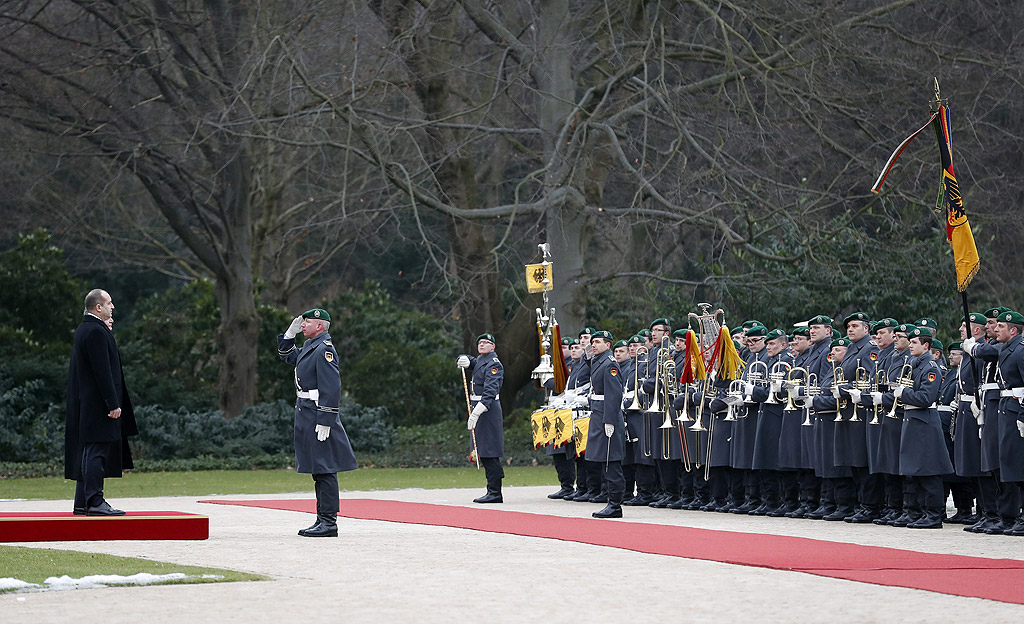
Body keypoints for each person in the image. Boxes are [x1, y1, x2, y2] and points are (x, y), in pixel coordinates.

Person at [278, 308, 357, 537]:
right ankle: (322, 519)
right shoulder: (311, 347)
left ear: (320, 326)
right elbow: (289, 358)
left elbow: (331, 388)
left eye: (307, 322)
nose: (302, 325)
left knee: (325, 469)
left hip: (317, 414)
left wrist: (326, 420)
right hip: (307, 412)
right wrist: (288, 336)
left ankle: (328, 522)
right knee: (318, 470)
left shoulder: (324, 350)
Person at [65, 288, 138, 516]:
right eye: (109, 303)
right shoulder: (95, 332)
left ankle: (82, 502)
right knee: (96, 451)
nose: (112, 306)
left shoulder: (88, 328)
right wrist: (113, 403)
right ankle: (95, 501)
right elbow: (102, 372)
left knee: (89, 450)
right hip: (99, 406)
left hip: (90, 404)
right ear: (98, 307)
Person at [457, 333, 505, 503]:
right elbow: (474, 363)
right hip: (479, 407)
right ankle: (492, 490)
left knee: (489, 451)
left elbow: (490, 392)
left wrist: (477, 412)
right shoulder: (482, 361)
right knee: (482, 451)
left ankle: (495, 491)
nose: (482, 345)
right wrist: (465, 359)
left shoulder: (494, 365)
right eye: (480, 342)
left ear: (493, 347)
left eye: (487, 343)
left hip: (487, 409)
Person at [585, 331, 626, 518]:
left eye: (598, 342)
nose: (593, 345)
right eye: (592, 342)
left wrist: (609, 421)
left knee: (611, 462)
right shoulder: (599, 361)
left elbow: (614, 395)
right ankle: (610, 500)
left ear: (608, 345)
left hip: (606, 417)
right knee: (603, 460)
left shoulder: (610, 365)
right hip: (598, 414)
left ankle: (615, 504)